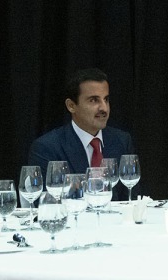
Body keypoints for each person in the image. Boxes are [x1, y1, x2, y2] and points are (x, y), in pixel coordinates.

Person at [28, 68, 136, 200]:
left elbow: (132, 199)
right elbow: (45, 206)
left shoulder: (121, 141)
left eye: (106, 99)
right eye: (93, 100)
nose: (104, 108)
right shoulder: (47, 147)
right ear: (71, 106)